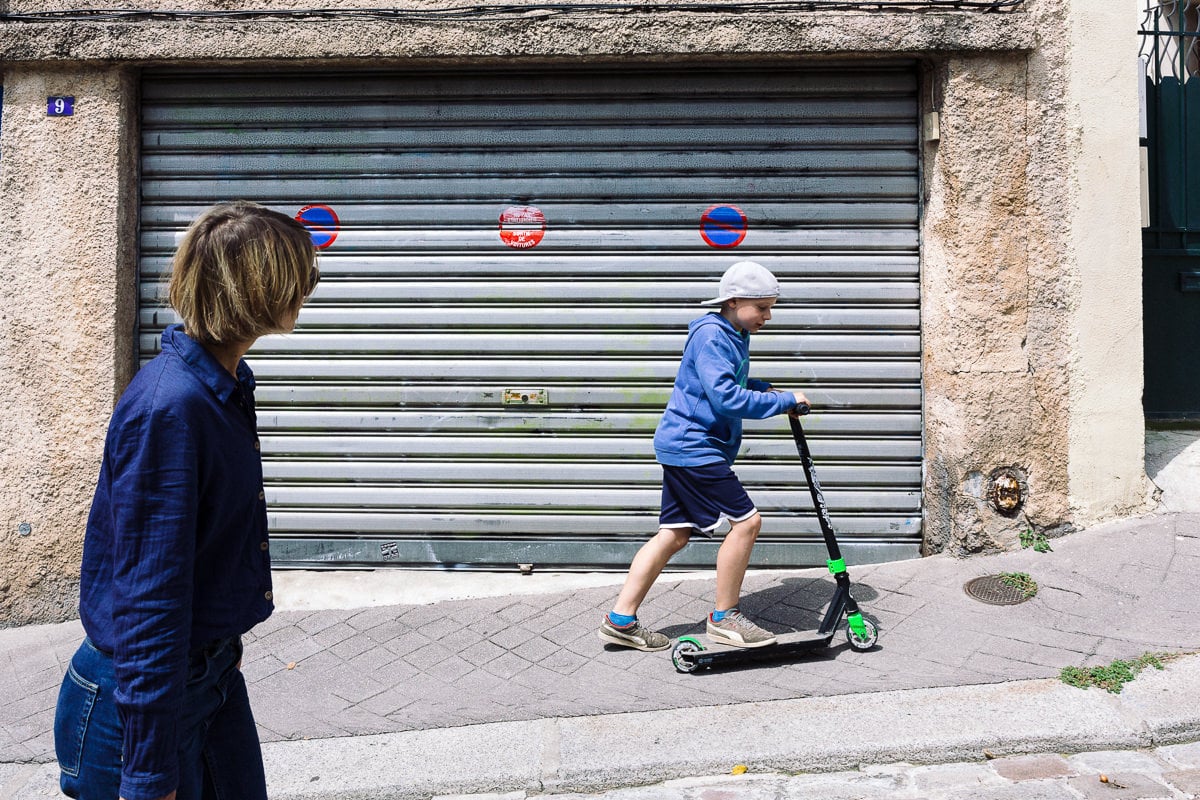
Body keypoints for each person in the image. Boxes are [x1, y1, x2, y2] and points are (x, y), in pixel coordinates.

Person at [53, 201, 319, 800]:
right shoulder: (172, 408)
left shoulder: (221, 386)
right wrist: (148, 774)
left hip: (208, 677)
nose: (306, 289)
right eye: (294, 275)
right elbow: (149, 596)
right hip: (139, 709)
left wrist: (227, 645)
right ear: (256, 290)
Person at [599, 260, 809, 652]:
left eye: (771, 307)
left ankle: (621, 621)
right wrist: (781, 401)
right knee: (747, 523)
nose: (768, 316)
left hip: (685, 445)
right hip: (695, 446)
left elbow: (726, 382)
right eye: (761, 307)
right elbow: (725, 398)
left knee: (674, 534)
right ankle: (725, 617)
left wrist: (766, 389)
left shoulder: (731, 332)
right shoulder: (714, 335)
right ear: (733, 301)